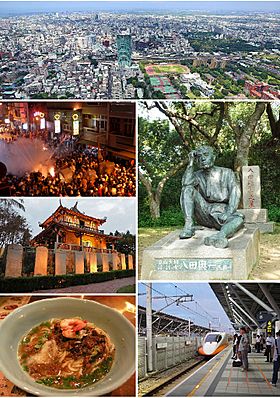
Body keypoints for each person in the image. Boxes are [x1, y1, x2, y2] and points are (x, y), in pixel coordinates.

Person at [179, 146, 244, 248]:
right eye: (199, 156)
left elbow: (235, 193)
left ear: (213, 157)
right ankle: (189, 226)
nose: (203, 159)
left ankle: (221, 236)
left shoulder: (227, 173)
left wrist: (229, 212)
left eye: (206, 155)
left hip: (221, 212)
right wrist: (191, 163)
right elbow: (186, 183)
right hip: (204, 210)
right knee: (187, 189)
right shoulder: (196, 175)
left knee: (238, 220)